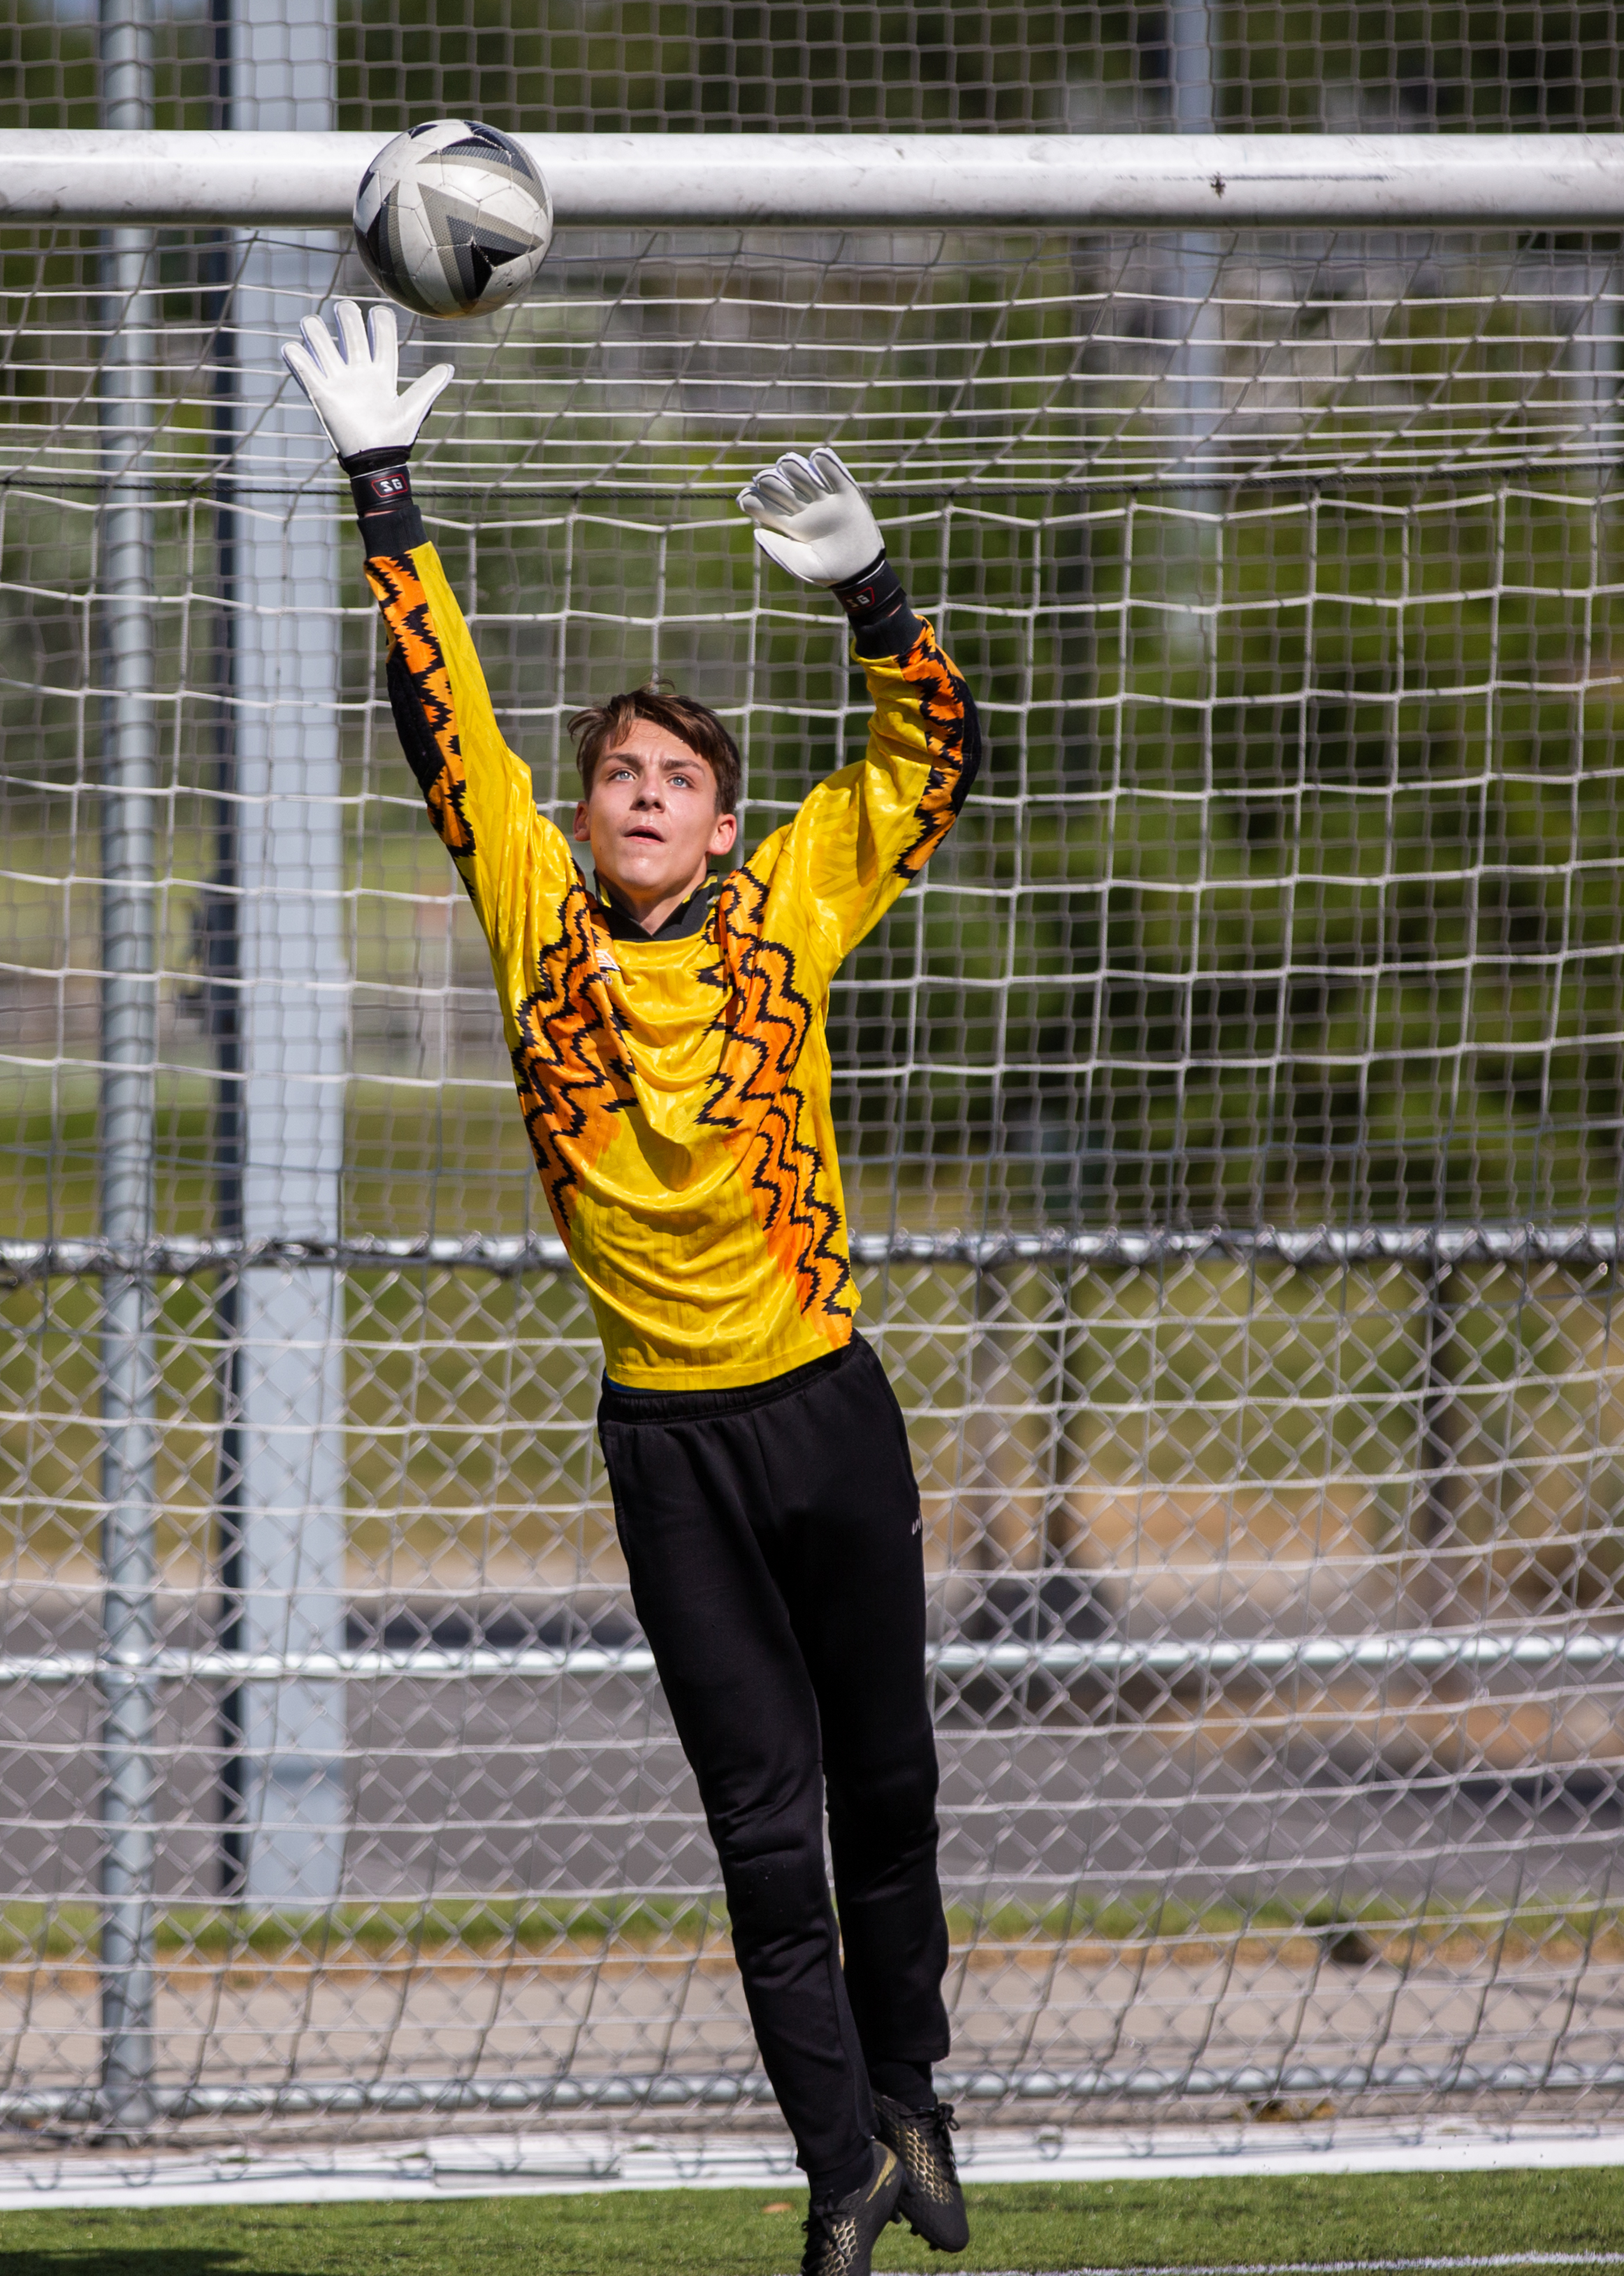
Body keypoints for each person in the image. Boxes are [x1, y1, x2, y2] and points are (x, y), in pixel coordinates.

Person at [284, 303, 984, 2276]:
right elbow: (446, 723)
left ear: (730, 819)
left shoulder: (792, 905)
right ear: (584, 814)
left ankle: (915, 2092)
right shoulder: (530, 920)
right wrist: (384, 488)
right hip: (668, 1447)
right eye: (621, 771)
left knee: (889, 1792)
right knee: (764, 1831)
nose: (648, 790)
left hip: (828, 1407)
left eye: (680, 770)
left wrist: (875, 597)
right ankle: (840, 2161)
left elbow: (934, 760)